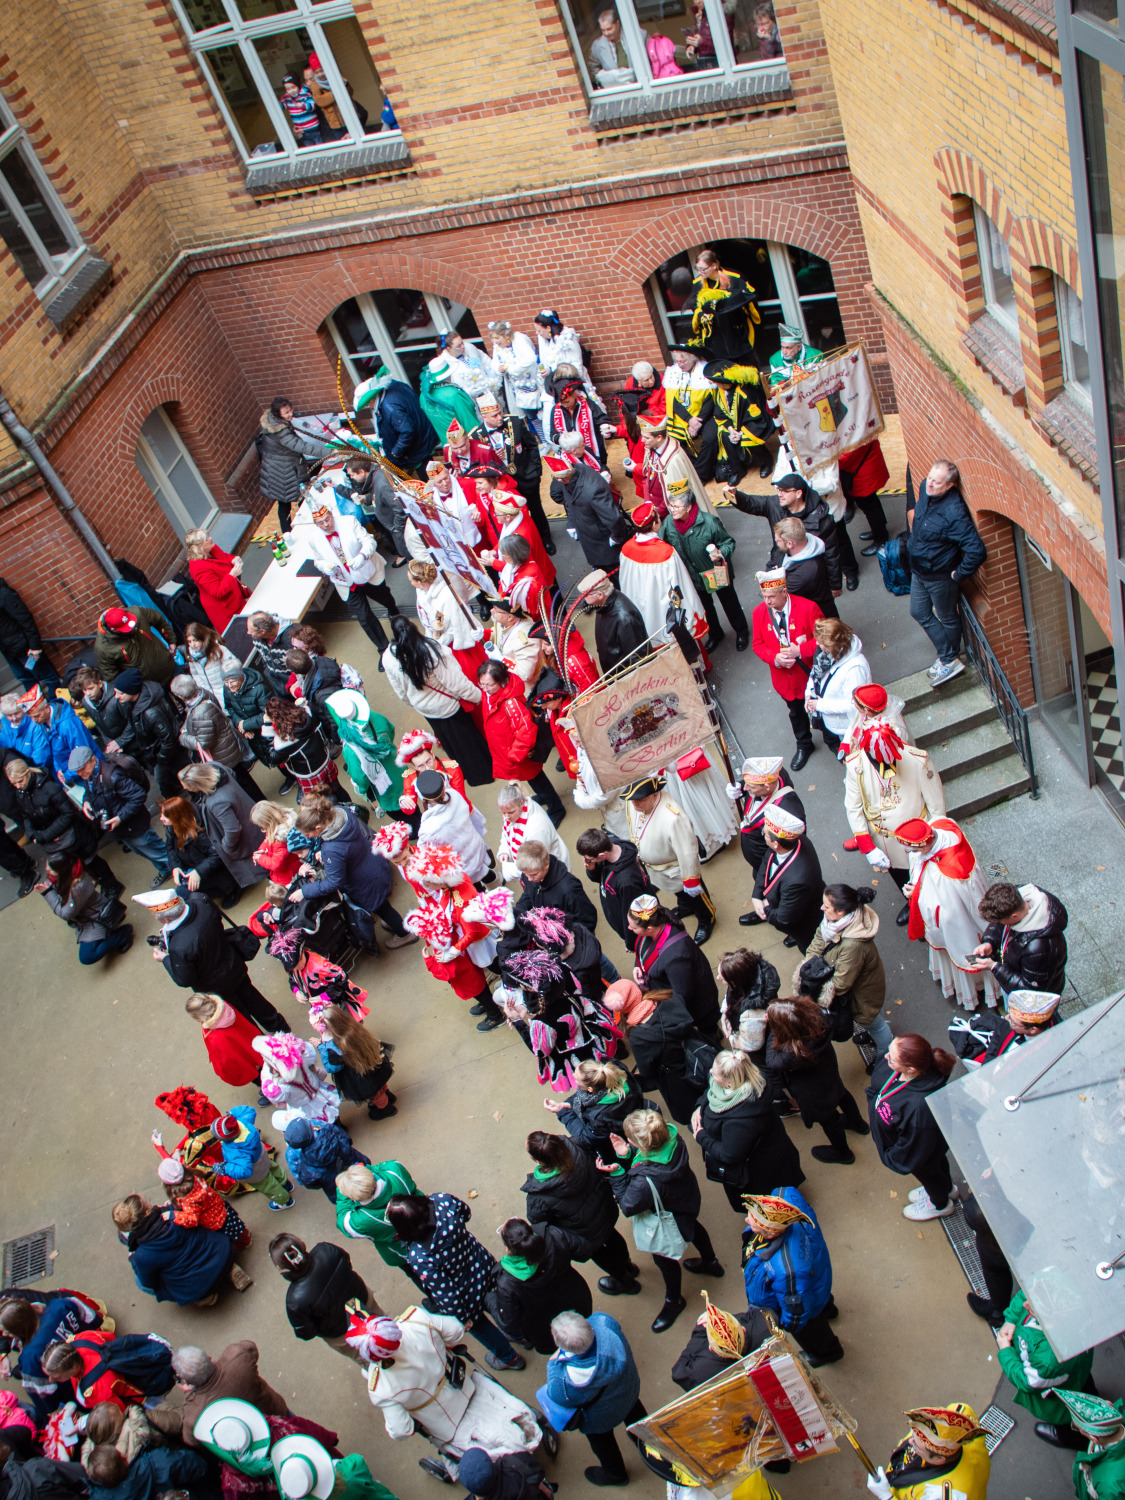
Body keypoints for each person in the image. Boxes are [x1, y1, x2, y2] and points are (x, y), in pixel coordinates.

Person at [604, 1109, 722, 1333]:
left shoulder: (645, 1181)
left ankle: (674, 1300)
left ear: (642, 1144)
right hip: (686, 1198)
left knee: (665, 1260)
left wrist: (619, 1174)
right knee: (694, 1227)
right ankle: (711, 1263)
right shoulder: (672, 1136)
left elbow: (629, 1205)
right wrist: (629, 1152)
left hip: (667, 1214)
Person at [384, 1193, 525, 1371]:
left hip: (465, 1296)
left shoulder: (419, 1255)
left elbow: (445, 1292)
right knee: (502, 1303)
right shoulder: (442, 1201)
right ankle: (520, 1335)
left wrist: (462, 1318)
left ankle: (509, 1358)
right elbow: (466, 1212)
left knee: (481, 1327)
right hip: (482, 1265)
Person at [134, 886, 291, 1034]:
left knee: (240, 1015)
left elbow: (184, 979)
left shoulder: (180, 946)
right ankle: (279, 1026)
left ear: (165, 919)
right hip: (233, 963)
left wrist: (166, 959)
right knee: (253, 997)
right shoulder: (201, 902)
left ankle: (263, 1042)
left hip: (216, 986)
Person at [844, 719, 946, 927]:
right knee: (901, 877)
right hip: (887, 843)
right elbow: (853, 808)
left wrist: (937, 839)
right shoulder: (856, 766)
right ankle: (912, 903)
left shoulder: (917, 760)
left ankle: (937, 909)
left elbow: (936, 804)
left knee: (931, 877)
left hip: (920, 839)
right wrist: (868, 847)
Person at [895, 816, 1001, 1010]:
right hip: (969, 899)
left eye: (913, 850)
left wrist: (915, 893)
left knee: (968, 949)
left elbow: (939, 905)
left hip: (959, 924)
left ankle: (979, 990)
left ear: (925, 847)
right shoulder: (941, 825)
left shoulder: (948, 874)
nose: (909, 853)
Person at [520, 1131, 640, 1296]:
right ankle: (628, 1266)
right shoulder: (576, 1145)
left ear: (538, 1160)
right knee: (612, 1235)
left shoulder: (538, 1195)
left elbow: (539, 1222)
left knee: (599, 1253)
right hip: (603, 1208)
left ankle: (625, 1282)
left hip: (583, 1231)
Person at [288, 794, 415, 948]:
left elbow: (334, 882)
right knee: (383, 904)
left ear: (318, 828)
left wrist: (305, 891)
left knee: (382, 908)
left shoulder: (332, 849)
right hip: (373, 863)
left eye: (308, 835)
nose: (308, 837)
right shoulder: (340, 812)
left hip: (363, 883)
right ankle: (394, 923)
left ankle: (405, 934)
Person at [382, 617, 492, 785]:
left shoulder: (389, 657)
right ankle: (483, 774)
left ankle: (463, 772)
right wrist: (479, 697)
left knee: (449, 742)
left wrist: (413, 701)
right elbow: (456, 683)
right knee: (468, 742)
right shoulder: (431, 651)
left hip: (425, 709)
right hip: (448, 706)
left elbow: (400, 691)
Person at [906, 459, 986, 687]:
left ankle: (949, 660)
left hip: (940, 576)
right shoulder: (924, 487)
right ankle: (948, 657)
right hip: (919, 570)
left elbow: (976, 550)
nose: (930, 485)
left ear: (950, 486)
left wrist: (958, 574)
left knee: (948, 616)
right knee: (918, 611)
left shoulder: (955, 512)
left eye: (937, 482)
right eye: (930, 478)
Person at [740, 1189, 842, 1365]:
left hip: (804, 1297)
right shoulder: (785, 1196)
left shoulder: (788, 1271)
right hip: (816, 1277)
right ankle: (828, 1308)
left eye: (754, 1220)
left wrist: (789, 1325)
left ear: (771, 1234)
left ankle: (827, 1352)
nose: (747, 1220)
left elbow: (798, 1311)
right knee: (819, 1298)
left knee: (812, 1330)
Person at [545, 1311, 645, 1485]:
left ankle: (616, 1475)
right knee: (637, 1416)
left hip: (601, 1417)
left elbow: (557, 1397)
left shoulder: (562, 1380)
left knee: (603, 1444)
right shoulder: (605, 1323)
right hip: (628, 1391)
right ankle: (646, 1442)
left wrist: (553, 1363)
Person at [691, 1050, 805, 1203]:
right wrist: (700, 1106)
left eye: (716, 1074)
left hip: (761, 1170)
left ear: (730, 1082)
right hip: (776, 1148)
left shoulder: (741, 1120)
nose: (711, 1072)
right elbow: (712, 1091)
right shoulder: (752, 1079)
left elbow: (729, 1155)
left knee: (774, 1205)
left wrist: (701, 1136)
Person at [764, 998, 869, 1163]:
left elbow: (771, 1060)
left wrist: (774, 1030)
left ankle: (844, 1154)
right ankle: (858, 1124)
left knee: (828, 1119)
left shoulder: (792, 1054)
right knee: (841, 1093)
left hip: (812, 1089)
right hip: (828, 1069)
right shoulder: (818, 1020)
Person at [866, 1033, 958, 1222]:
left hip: (920, 1153)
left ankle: (940, 1204)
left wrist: (893, 1157)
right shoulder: (904, 1072)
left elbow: (915, 1146)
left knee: (930, 1174)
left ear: (911, 1068)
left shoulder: (918, 1107)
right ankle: (947, 1188)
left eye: (891, 1058)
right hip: (925, 1148)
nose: (885, 1057)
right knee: (937, 1169)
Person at [996, 1288, 1095, 1449]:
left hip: (1058, 1394)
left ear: (1054, 1320)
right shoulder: (1067, 1295)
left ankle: (1071, 1437)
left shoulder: (1050, 1361)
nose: (1026, 1304)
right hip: (1078, 1371)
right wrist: (1011, 1319)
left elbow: (1028, 1380)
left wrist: (1006, 1351)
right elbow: (1028, 1291)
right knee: (1085, 1387)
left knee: (1068, 1416)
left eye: (1036, 1309)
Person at [803, 882, 890, 1058]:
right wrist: (810, 964)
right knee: (873, 1020)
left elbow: (841, 984)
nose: (822, 908)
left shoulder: (853, 945)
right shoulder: (834, 921)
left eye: (826, 906)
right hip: (860, 985)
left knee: (875, 1023)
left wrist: (816, 983)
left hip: (863, 993)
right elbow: (819, 938)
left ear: (840, 912)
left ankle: (885, 1055)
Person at [300, 503, 401, 652]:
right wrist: (325, 566)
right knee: (364, 618)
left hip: (366, 572)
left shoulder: (349, 521)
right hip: (344, 582)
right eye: (320, 522)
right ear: (315, 524)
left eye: (327, 519)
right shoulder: (314, 539)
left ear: (331, 514)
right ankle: (384, 649)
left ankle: (393, 611)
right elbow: (317, 560)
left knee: (384, 596)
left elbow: (369, 541)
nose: (326, 524)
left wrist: (362, 555)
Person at [624, 779, 714, 945]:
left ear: (654, 794)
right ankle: (686, 906)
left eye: (640, 799)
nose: (634, 804)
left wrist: (691, 879)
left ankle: (706, 919)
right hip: (658, 870)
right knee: (679, 893)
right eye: (632, 800)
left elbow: (687, 851)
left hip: (676, 868)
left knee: (697, 898)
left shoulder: (672, 817)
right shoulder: (634, 804)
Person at [64, 745, 171, 885]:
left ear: (92, 760)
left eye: (82, 768)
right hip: (123, 829)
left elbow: (138, 796)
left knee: (159, 851)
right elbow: (89, 793)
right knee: (145, 852)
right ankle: (165, 870)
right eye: (77, 770)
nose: (79, 773)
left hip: (134, 826)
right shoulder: (89, 775)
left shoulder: (113, 776)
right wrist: (86, 802)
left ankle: (182, 871)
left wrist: (120, 818)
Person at [662, 481, 749, 651]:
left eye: (676, 506)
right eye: (670, 505)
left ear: (689, 507)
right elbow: (662, 543)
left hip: (716, 572)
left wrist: (720, 552)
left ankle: (742, 630)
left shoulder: (710, 523)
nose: (672, 509)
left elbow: (728, 542)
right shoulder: (669, 524)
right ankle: (716, 633)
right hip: (693, 576)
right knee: (705, 607)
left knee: (729, 602)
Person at [7, 757, 118, 888]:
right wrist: (31, 833)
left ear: (27, 772)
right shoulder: (21, 793)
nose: (18, 786)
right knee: (76, 865)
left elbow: (68, 814)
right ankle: (97, 885)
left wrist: (44, 835)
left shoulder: (49, 788)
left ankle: (112, 885)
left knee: (90, 861)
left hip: (72, 836)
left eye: (20, 781)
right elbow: (26, 815)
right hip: (55, 840)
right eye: (14, 783)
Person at [270, 1235, 382, 1364]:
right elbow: (347, 1261)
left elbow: (306, 1332)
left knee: (363, 1356)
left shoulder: (294, 1300)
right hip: (363, 1301)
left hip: (342, 1333)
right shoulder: (325, 1249)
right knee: (383, 1325)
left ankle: (379, 1372)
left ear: (280, 1268)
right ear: (302, 1243)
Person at [751, 570, 823, 770]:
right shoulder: (759, 613)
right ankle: (804, 745)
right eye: (764, 596)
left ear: (784, 591)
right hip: (785, 681)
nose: (767, 601)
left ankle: (834, 740)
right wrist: (775, 658)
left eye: (771, 596)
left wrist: (800, 650)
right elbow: (757, 644)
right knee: (796, 713)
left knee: (824, 709)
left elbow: (824, 639)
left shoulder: (808, 608)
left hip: (810, 677)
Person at [478, 661, 566, 824]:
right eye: (481, 684)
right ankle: (546, 798)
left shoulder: (511, 703)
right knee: (533, 779)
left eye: (489, 685)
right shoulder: (490, 694)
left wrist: (515, 755)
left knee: (536, 777)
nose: (485, 689)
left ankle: (556, 807)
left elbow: (527, 731)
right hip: (508, 750)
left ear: (502, 681)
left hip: (519, 754)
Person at [492, 1218, 593, 1355]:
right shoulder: (553, 1235)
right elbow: (584, 1250)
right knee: (583, 1331)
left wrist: (489, 1298)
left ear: (508, 1248)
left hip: (544, 1329)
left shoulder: (507, 1282)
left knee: (564, 1349)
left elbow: (509, 1323)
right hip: (577, 1300)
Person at [110, 1195, 234, 1307]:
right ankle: (231, 1269)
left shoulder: (141, 1255)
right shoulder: (171, 1213)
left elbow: (149, 1283)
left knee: (140, 1282)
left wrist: (134, 1260)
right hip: (224, 1253)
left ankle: (205, 1298)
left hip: (201, 1288)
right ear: (146, 1211)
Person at [618, 500, 708, 648]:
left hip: (639, 608)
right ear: (654, 525)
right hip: (663, 612)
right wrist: (692, 612)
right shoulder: (666, 553)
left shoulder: (626, 549)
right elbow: (681, 585)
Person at [627, 895, 718, 1039]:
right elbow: (643, 948)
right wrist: (638, 965)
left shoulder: (676, 956)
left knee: (707, 1032)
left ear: (649, 928)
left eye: (633, 927)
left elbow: (683, 993)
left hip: (698, 1006)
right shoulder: (659, 918)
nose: (629, 928)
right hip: (669, 987)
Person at [472, 389, 552, 547]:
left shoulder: (514, 422)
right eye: (494, 416)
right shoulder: (477, 436)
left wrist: (536, 471)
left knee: (536, 509)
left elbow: (532, 446)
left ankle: (546, 540)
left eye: (500, 413)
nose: (500, 417)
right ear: (484, 417)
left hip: (526, 476)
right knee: (510, 515)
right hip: (502, 485)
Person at [867, 1404, 990, 1500]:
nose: (910, 1443)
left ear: (939, 1459)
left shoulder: (942, 1494)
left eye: (917, 1445)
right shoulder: (962, 1415)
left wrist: (886, 1497)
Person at [171, 676, 262, 804]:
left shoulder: (200, 714)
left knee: (242, 783)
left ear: (180, 697)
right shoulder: (204, 694)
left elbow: (204, 743)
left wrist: (183, 737)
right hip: (228, 747)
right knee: (243, 779)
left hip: (222, 755)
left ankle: (259, 805)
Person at [174, 1342, 288, 1443]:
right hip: (277, 1411)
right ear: (208, 1357)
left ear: (185, 1382)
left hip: (253, 1443)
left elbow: (191, 1440)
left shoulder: (194, 1416)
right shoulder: (238, 1356)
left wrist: (189, 1394)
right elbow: (250, 1346)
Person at [177, 761, 265, 889]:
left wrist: (226, 846)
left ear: (198, 784)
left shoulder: (217, 802)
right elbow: (232, 773)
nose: (185, 788)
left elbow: (233, 829)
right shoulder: (216, 767)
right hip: (254, 824)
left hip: (248, 839)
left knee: (268, 868)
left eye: (187, 786)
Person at [747, 804, 823, 952]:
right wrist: (757, 894)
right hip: (793, 904)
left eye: (766, 834)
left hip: (804, 921)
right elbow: (767, 861)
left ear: (776, 844)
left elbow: (784, 919)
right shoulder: (793, 841)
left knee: (808, 949)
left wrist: (765, 908)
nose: (763, 832)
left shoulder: (798, 880)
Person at [973, 880, 1069, 996]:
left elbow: (1029, 991)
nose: (999, 923)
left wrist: (995, 967)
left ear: (1014, 916)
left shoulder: (1039, 949)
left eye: (1001, 921)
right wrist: (990, 942)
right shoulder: (1016, 898)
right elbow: (999, 925)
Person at [548, 446, 632, 572]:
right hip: (589, 535)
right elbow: (569, 500)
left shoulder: (593, 490)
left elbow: (613, 517)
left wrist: (616, 537)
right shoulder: (572, 474)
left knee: (613, 572)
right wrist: (571, 522)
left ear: (563, 479)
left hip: (603, 540)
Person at [353, 360, 440, 479]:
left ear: (372, 399)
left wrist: (395, 452)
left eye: (368, 404)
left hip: (417, 448)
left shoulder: (390, 407)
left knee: (428, 475)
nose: (369, 407)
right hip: (423, 439)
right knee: (430, 468)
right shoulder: (394, 385)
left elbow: (407, 430)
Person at [258, 398, 332, 533]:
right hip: (284, 471)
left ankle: (289, 532)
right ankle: (304, 529)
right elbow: (302, 447)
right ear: (278, 414)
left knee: (285, 502)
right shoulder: (281, 433)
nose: (290, 414)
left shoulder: (273, 424)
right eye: (286, 412)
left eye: (290, 410)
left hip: (276, 469)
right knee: (303, 499)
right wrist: (331, 452)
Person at [334, 1160, 419, 1273]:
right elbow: (383, 1166)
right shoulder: (395, 1171)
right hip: (428, 1221)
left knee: (420, 1277)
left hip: (405, 1253)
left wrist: (341, 1190)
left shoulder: (361, 1221)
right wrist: (365, 1170)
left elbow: (342, 1218)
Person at [574, 827, 651, 950]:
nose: (586, 861)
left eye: (588, 859)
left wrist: (631, 943)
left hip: (632, 924)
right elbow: (598, 878)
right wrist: (591, 868)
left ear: (602, 855)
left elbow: (633, 914)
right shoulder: (609, 846)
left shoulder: (627, 882)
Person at [950, 986, 1061, 1070]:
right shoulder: (1007, 1025)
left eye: (1014, 1022)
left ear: (1033, 1030)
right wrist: (986, 1072)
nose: (1007, 1019)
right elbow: (995, 1043)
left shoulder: (1053, 1044)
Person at [264, 695, 348, 806]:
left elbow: (273, 758)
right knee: (337, 789)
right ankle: (352, 809)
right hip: (325, 761)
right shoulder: (308, 714)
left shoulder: (284, 741)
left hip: (309, 775)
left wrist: (267, 727)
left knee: (323, 802)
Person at [803, 618, 871, 754]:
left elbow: (853, 705)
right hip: (830, 721)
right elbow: (815, 674)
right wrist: (809, 694)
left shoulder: (855, 670)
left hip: (845, 729)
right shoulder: (827, 654)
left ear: (832, 645)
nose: (817, 643)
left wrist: (819, 705)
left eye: (821, 642)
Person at [208, 1106, 295, 1211]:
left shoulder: (236, 1150)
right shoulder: (243, 1123)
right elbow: (248, 1110)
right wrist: (231, 1114)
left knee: (269, 1186)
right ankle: (286, 1184)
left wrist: (225, 1168)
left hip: (256, 1172)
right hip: (262, 1156)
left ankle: (284, 1201)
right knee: (274, 1168)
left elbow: (244, 1171)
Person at [157, 795, 240, 906]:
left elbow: (217, 855)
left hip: (212, 871)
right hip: (194, 866)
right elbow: (170, 847)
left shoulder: (200, 834)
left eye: (165, 816)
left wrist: (199, 871)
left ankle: (231, 890)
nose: (161, 818)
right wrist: (175, 867)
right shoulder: (171, 827)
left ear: (177, 817)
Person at [661, 346, 719, 484]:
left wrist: (698, 421)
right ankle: (699, 468)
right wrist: (689, 419)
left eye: (682, 361)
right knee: (671, 442)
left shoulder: (704, 370)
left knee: (711, 437)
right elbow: (673, 402)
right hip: (683, 416)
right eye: (677, 361)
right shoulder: (673, 372)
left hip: (705, 415)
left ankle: (701, 475)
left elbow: (710, 400)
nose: (679, 364)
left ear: (692, 359)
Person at [25, 684, 102, 782]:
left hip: (90, 774)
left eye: (36, 716)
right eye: (31, 717)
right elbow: (54, 750)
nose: (34, 721)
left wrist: (67, 776)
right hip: (74, 773)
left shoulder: (68, 725)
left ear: (46, 707)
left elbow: (84, 757)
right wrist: (59, 769)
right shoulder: (44, 722)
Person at [576, 570, 648, 675]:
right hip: (612, 668)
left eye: (586, 595)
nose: (582, 598)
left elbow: (636, 657)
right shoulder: (603, 602)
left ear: (600, 595)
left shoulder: (624, 618)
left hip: (624, 676)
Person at [496, 782, 566, 884]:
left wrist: (509, 871)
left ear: (521, 803)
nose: (506, 817)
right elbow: (507, 831)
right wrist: (504, 850)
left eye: (510, 812)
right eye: (503, 813)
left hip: (548, 874)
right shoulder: (512, 809)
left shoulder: (535, 829)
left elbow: (534, 864)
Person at [185, 992, 262, 1085]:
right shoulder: (224, 1007)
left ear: (198, 1018)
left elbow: (226, 1060)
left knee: (260, 1077)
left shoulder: (215, 1036)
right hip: (253, 1045)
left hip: (247, 1061)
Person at [1060, 1392, 1125, 1500]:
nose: (1075, 1427)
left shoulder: (1108, 1487)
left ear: (1094, 1438)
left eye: (1078, 1427)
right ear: (1109, 1405)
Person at [284, 1118, 368, 1202]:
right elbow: (348, 1140)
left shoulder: (305, 1167)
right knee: (367, 1184)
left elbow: (312, 1184)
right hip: (357, 1167)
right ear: (312, 1128)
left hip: (337, 1188)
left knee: (348, 1201)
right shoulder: (331, 1130)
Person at [0, 578, 59, 691]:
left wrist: (35, 646)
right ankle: (37, 708)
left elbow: (25, 619)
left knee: (48, 678)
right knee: (26, 679)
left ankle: (58, 707)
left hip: (25, 648)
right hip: (9, 651)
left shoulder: (4, 594)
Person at [772, 516, 837, 618]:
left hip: (816, 616)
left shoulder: (807, 571)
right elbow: (772, 562)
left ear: (790, 544)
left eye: (778, 540)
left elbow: (779, 592)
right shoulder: (790, 546)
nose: (776, 542)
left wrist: (770, 577)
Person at [184, 531, 249, 634]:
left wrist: (233, 560)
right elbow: (217, 592)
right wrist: (231, 575)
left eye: (208, 535)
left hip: (235, 598)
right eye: (206, 538)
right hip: (225, 609)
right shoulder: (198, 568)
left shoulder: (210, 548)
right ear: (200, 547)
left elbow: (223, 557)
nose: (210, 538)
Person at [95, 607, 176, 689]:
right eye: (125, 627)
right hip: (148, 686)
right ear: (113, 629)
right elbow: (112, 677)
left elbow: (159, 620)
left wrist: (171, 640)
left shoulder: (137, 613)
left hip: (168, 666)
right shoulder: (103, 648)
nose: (131, 628)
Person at [840, 438, 891, 555]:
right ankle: (880, 530)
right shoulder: (861, 431)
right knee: (873, 504)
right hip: (867, 472)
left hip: (863, 478)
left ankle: (881, 539)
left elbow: (846, 458)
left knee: (870, 508)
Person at [246, 612, 299, 698]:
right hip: (277, 686)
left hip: (295, 685)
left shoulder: (292, 639)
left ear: (262, 631)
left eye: (251, 631)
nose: (248, 632)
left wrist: (295, 685)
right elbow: (264, 657)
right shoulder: (257, 639)